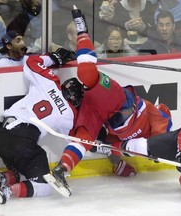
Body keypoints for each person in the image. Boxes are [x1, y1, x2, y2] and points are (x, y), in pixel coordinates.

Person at [43, 5, 172, 197]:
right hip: (120, 102)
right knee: (87, 74)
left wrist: (122, 165)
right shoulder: (159, 115)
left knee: (83, 137)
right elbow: (161, 136)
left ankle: (61, 170)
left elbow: (114, 147)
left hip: (103, 116)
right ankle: (82, 31)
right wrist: (159, 151)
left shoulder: (133, 142)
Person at [0, 48, 78, 204]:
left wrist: (55, 58)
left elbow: (30, 61)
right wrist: (100, 145)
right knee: (45, 186)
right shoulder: (69, 114)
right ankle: (7, 191)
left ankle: (3, 179)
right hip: (24, 143)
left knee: (22, 171)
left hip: (1, 133)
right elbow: (75, 141)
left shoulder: (49, 82)